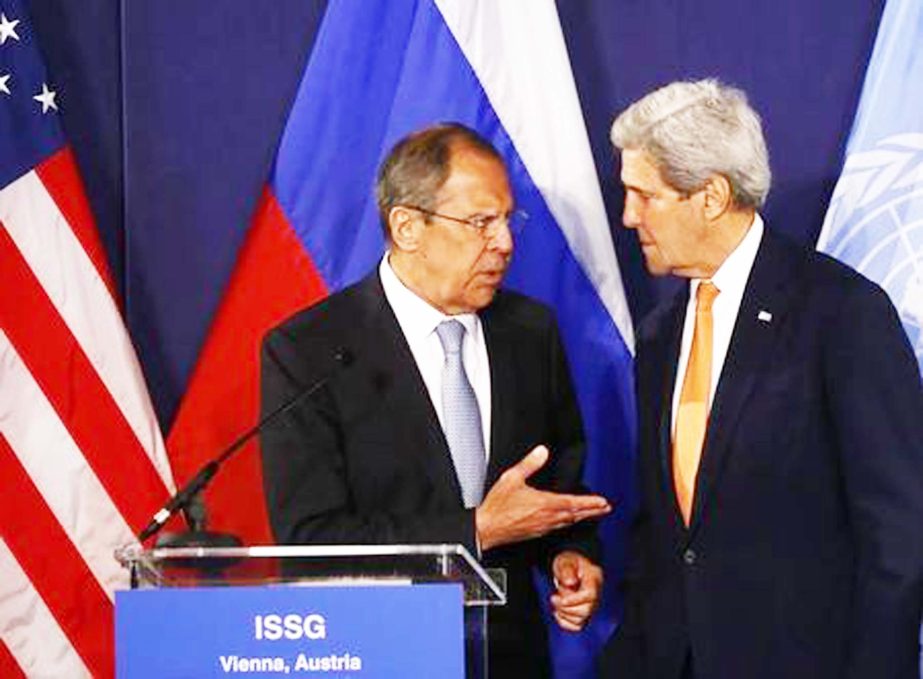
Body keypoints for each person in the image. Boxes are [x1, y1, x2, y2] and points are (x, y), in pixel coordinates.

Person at [260, 123, 611, 677]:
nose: (505, 242)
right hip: (376, 654)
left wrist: (572, 556)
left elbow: (556, 486)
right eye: (480, 222)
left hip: (511, 657)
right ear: (407, 227)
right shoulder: (310, 351)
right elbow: (312, 540)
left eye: (505, 219)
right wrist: (474, 531)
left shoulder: (529, 333)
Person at [603, 79, 923, 679]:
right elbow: (669, 532)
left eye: (644, 195)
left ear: (711, 196)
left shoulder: (840, 315)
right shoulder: (661, 333)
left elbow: (899, 533)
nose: (628, 216)